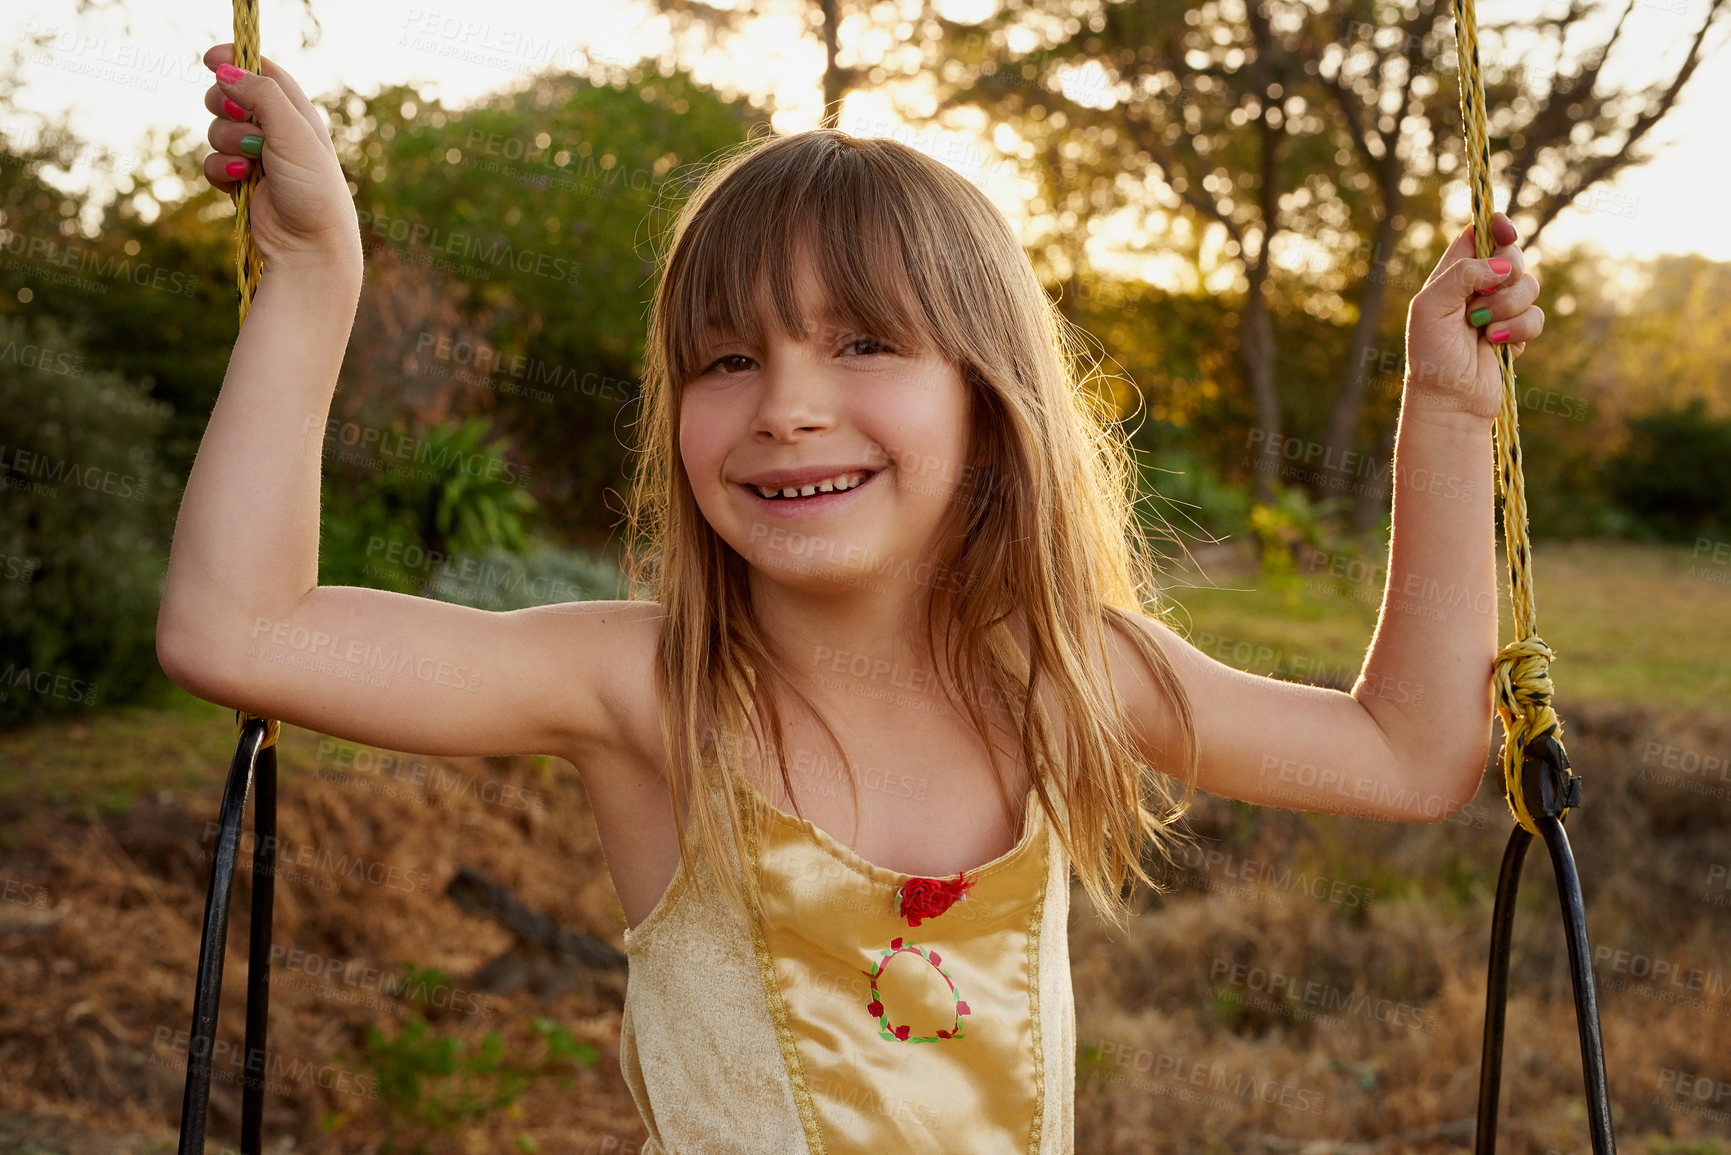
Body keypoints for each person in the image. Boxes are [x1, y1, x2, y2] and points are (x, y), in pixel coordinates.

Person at [160, 42, 1545, 1155]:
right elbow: (239, 631)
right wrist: (312, 274)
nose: (789, 408)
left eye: (864, 342)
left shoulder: (1066, 674)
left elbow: (1409, 753)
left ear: (986, 398)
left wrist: (1445, 409)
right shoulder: (643, 691)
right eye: (724, 360)